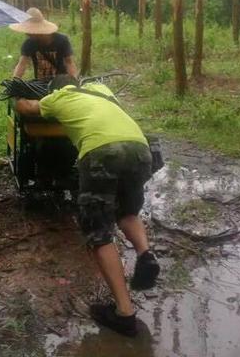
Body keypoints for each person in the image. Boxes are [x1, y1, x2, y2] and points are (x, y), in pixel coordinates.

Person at [14, 74, 160, 337]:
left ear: (54, 89)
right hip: (140, 149)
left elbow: (26, 109)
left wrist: (19, 97)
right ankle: (145, 253)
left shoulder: (57, 97)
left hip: (102, 152)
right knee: (127, 212)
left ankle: (124, 313)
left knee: (99, 232)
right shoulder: (101, 89)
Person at [10, 8, 78, 80]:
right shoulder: (29, 43)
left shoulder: (61, 40)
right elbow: (22, 64)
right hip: (40, 83)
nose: (27, 33)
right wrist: (14, 82)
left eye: (29, 31)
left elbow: (69, 62)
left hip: (60, 81)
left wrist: (74, 80)